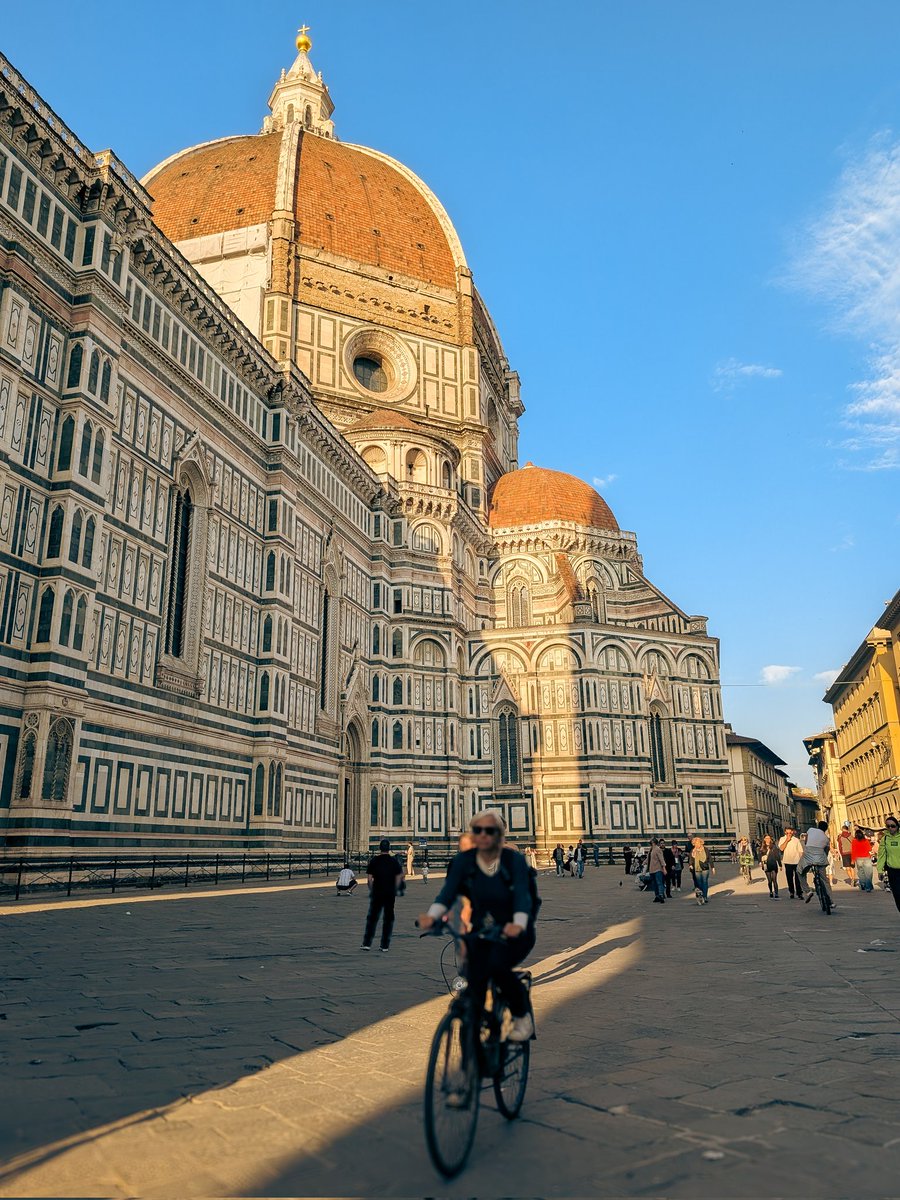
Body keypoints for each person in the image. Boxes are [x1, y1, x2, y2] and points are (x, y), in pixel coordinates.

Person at [418, 810, 536, 1042]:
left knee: (496, 964)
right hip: (481, 928)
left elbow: (523, 897)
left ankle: (522, 1016)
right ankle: (476, 1048)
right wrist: (433, 916)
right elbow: (448, 894)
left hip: (514, 928)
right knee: (475, 981)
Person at [362, 839, 403, 951]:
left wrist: (372, 889)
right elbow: (399, 877)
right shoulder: (394, 861)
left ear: (380, 848)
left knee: (372, 918)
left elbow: (369, 879)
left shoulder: (374, 860)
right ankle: (384, 946)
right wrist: (394, 889)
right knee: (388, 919)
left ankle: (367, 944)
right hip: (390, 893)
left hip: (377, 892)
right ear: (389, 848)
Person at [800, 821, 836, 908]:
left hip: (808, 855)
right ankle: (831, 901)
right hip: (820, 857)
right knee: (825, 880)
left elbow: (806, 842)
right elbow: (826, 851)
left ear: (818, 826)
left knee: (800, 871)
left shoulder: (811, 830)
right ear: (826, 829)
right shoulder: (826, 839)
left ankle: (807, 891)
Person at [876, 815, 900, 913]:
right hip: (892, 871)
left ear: (897, 826)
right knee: (897, 896)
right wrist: (880, 870)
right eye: (888, 826)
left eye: (893, 826)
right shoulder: (885, 839)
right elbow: (881, 855)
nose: (890, 828)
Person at [778, 827, 805, 899]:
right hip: (787, 861)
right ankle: (791, 892)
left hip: (796, 861)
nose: (789, 834)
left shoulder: (796, 840)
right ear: (785, 832)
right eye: (787, 833)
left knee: (798, 878)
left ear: (792, 832)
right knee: (789, 878)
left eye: (790, 833)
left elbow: (800, 851)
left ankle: (799, 893)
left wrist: (802, 861)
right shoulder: (782, 839)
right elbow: (781, 848)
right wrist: (787, 840)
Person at [851, 828, 875, 893]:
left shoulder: (854, 841)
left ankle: (863, 884)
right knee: (868, 873)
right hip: (867, 858)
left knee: (861, 872)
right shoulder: (866, 841)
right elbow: (869, 849)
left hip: (858, 859)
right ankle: (868, 887)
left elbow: (853, 851)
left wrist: (852, 860)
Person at [691, 836, 713, 904]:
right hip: (697, 868)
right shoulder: (693, 851)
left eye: (698, 843)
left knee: (705, 882)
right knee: (699, 883)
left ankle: (705, 896)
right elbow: (691, 859)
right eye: (695, 843)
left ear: (701, 843)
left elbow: (710, 858)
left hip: (705, 868)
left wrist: (712, 867)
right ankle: (701, 895)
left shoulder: (705, 849)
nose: (697, 844)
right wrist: (690, 865)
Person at [647, 837, 667, 903]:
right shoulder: (651, 849)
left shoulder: (658, 849)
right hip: (652, 869)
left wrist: (664, 868)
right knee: (654, 884)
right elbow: (648, 859)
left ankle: (661, 895)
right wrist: (644, 863)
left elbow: (661, 859)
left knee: (659, 883)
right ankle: (657, 896)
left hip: (658, 869)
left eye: (651, 840)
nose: (649, 841)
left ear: (653, 842)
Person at [837, 822, 855, 887]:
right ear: (847, 829)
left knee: (847, 868)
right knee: (852, 867)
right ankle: (853, 878)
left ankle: (851, 878)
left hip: (844, 853)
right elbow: (854, 844)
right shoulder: (851, 836)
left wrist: (841, 853)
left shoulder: (840, 837)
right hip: (851, 853)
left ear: (842, 829)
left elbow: (840, 846)